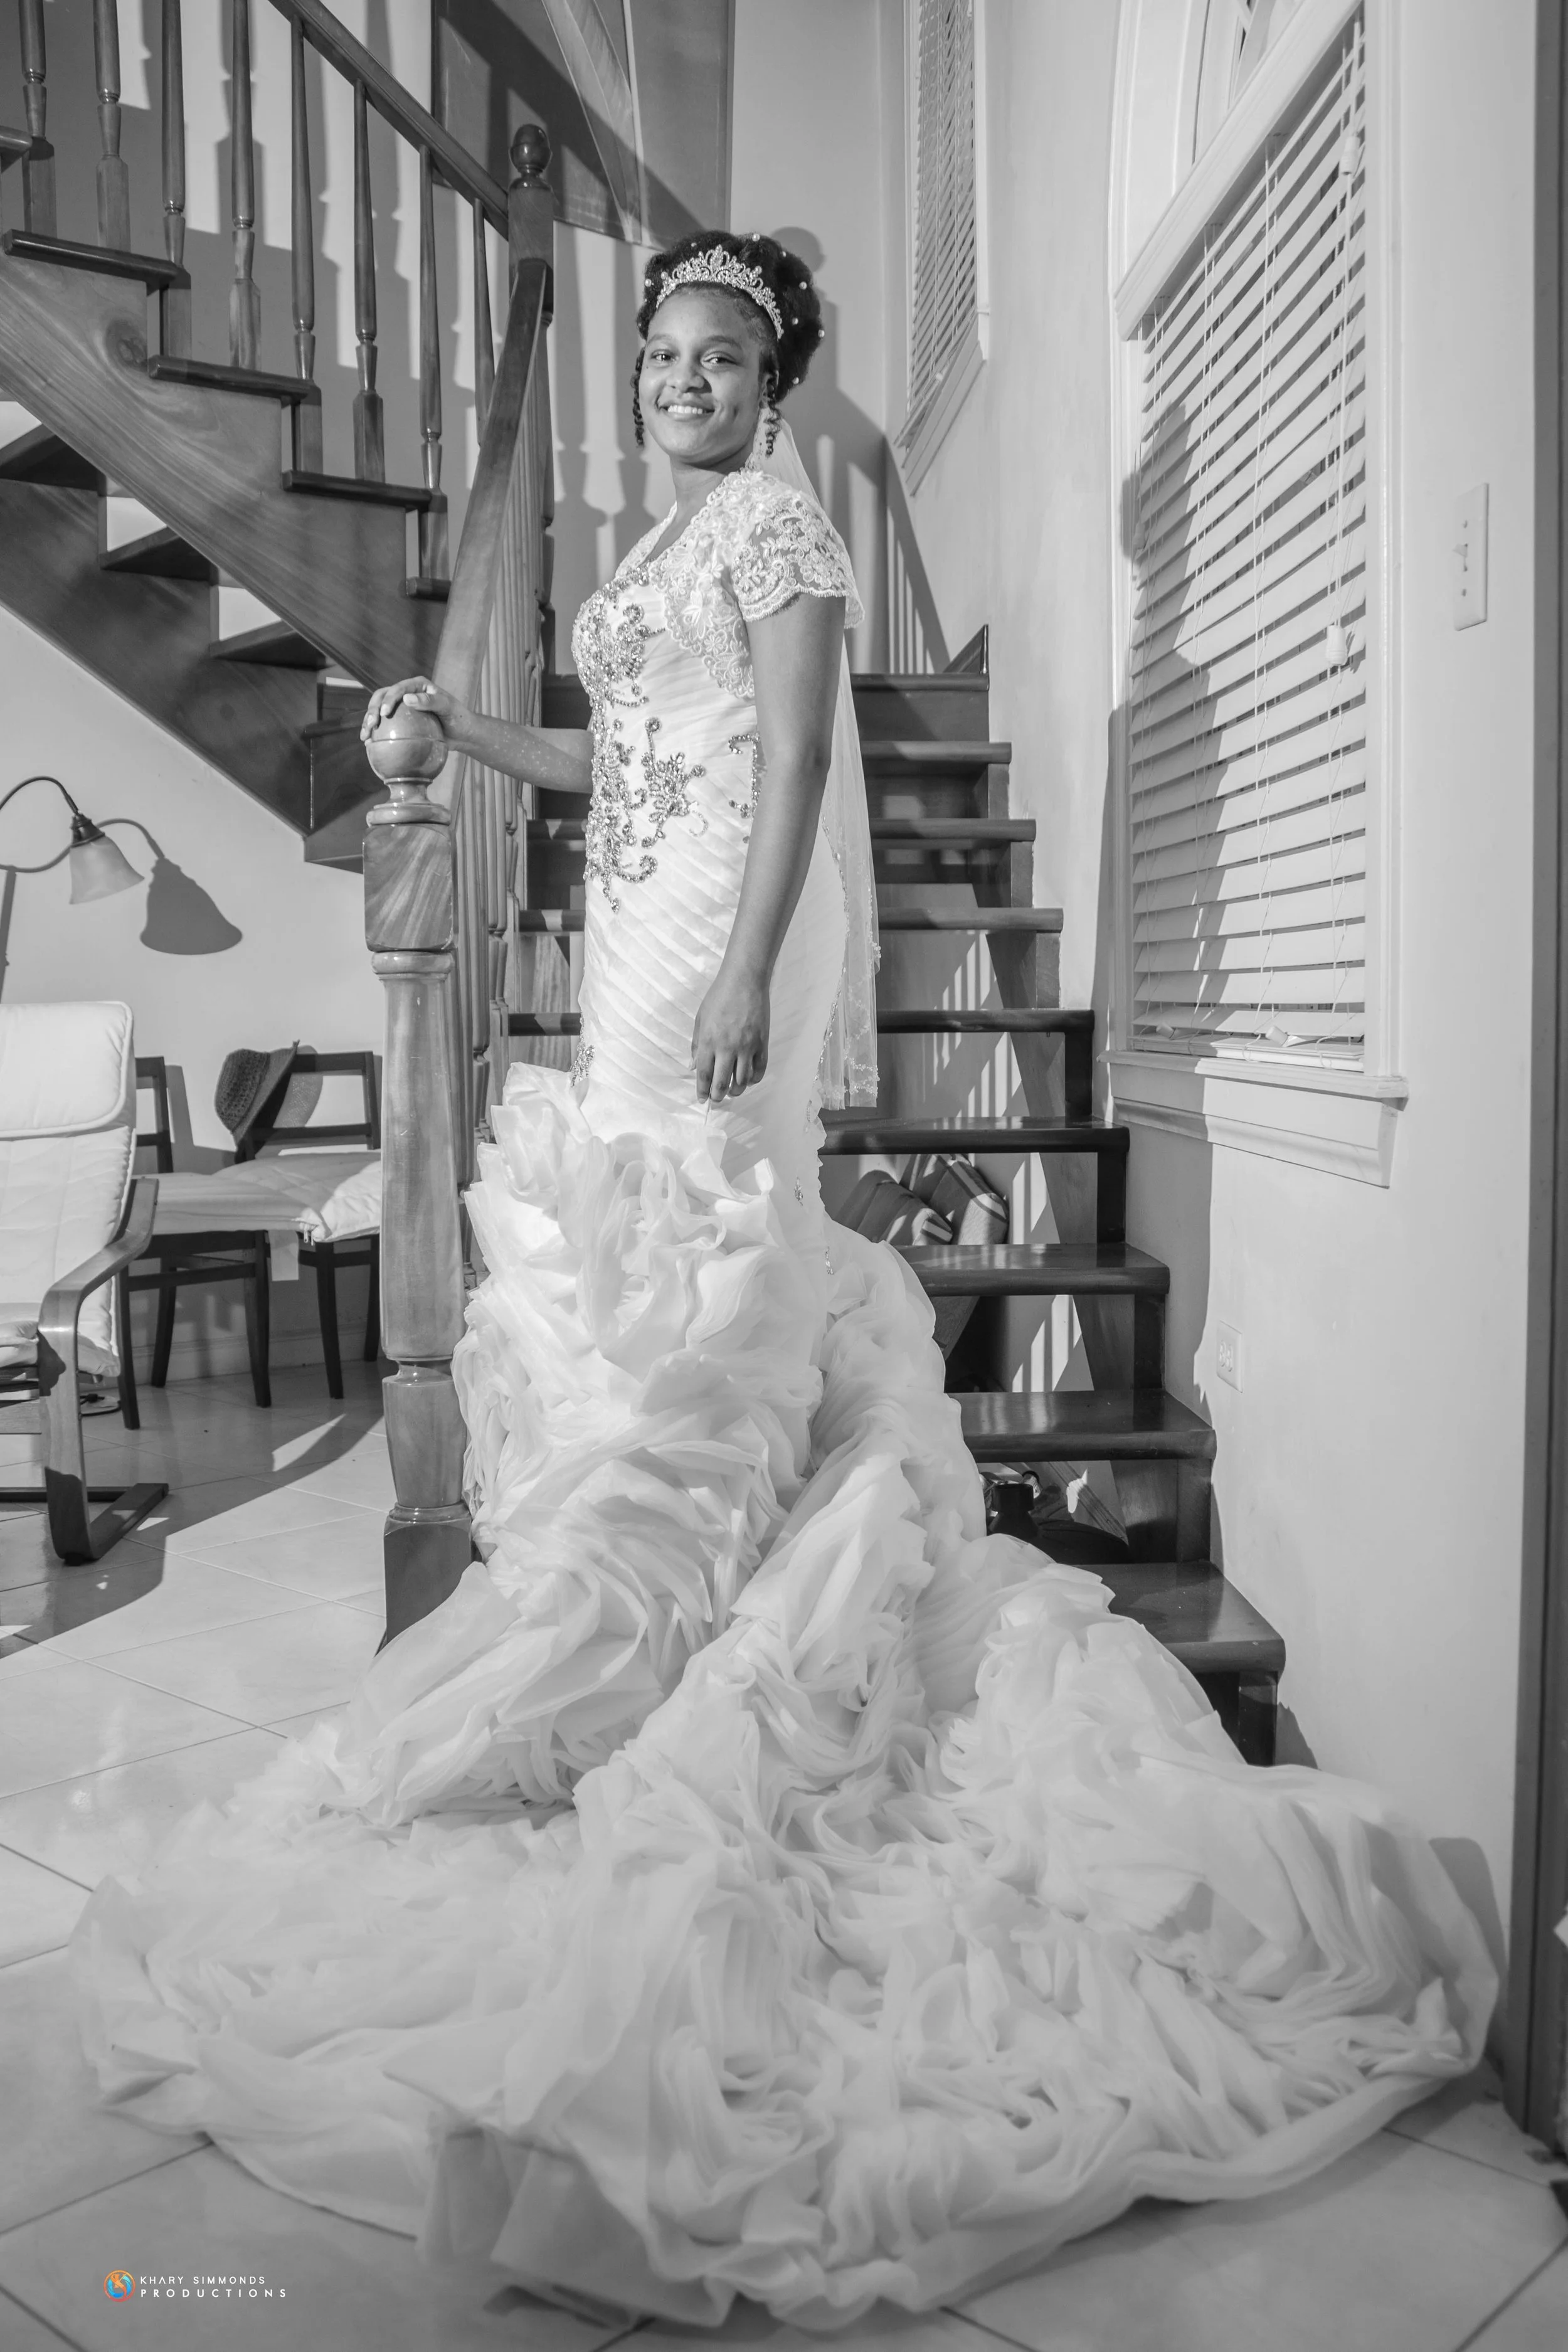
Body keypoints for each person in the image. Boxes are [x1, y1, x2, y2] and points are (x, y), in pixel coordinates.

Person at [71, 233, 1494, 2331]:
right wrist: (472, 734)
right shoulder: (667, 540)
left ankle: (699, 1640)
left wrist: (750, 968)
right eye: (662, 353)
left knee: (704, 1264)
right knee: (650, 1274)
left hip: (720, 955)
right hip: (643, 917)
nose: (682, 379)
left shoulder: (789, 529)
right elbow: (634, 770)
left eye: (721, 357)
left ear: (774, 380)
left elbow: (801, 771)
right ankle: (631, 1626)